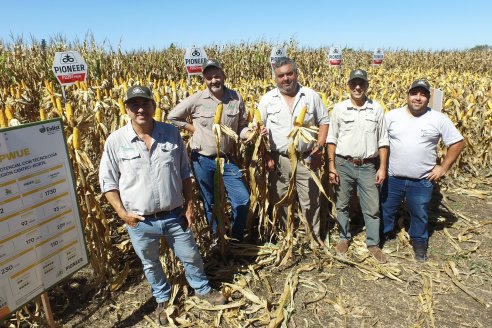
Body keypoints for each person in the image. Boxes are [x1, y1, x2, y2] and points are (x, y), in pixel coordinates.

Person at [99, 85, 225, 326]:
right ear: (126, 108)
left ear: (153, 105)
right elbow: (107, 183)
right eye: (134, 104)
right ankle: (163, 299)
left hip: (174, 214)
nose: (140, 109)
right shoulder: (116, 141)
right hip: (141, 220)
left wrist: (189, 205)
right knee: (150, 263)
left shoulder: (170, 133)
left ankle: (203, 289)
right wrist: (122, 214)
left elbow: (185, 173)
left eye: (145, 103)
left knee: (191, 256)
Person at [168, 59, 251, 243]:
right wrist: (193, 129)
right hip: (202, 160)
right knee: (211, 203)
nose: (214, 80)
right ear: (204, 79)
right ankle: (217, 239)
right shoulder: (197, 99)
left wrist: (251, 134)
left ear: (223, 76)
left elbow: (241, 127)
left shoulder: (235, 98)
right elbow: (173, 116)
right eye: (209, 77)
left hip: (226, 159)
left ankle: (235, 239)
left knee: (242, 200)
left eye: (217, 76)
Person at [381, 79, 464, 262]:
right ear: (408, 95)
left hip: (422, 180)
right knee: (386, 209)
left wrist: (443, 167)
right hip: (393, 177)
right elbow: (380, 142)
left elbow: (458, 142)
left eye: (423, 94)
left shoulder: (438, 118)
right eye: (414, 93)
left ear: (428, 98)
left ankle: (419, 242)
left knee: (419, 211)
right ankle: (384, 234)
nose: (418, 98)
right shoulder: (392, 116)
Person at [258, 57, 329, 247]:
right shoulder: (268, 100)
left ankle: (314, 238)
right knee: (281, 199)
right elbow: (259, 129)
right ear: (275, 78)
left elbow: (324, 121)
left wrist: (319, 148)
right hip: (280, 160)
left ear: (296, 74)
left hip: (307, 158)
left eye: (290, 74)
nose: (286, 78)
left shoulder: (311, 96)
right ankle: (284, 237)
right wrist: (266, 156)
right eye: (281, 75)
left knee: (310, 200)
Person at [327, 69, 389, 263]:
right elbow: (331, 139)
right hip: (343, 163)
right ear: (348, 85)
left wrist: (382, 167)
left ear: (367, 86)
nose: (357, 87)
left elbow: (383, 141)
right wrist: (331, 166)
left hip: (368, 166)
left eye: (361, 83)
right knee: (342, 204)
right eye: (354, 83)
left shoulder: (376, 109)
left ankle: (373, 244)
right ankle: (344, 238)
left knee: (372, 206)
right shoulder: (339, 109)